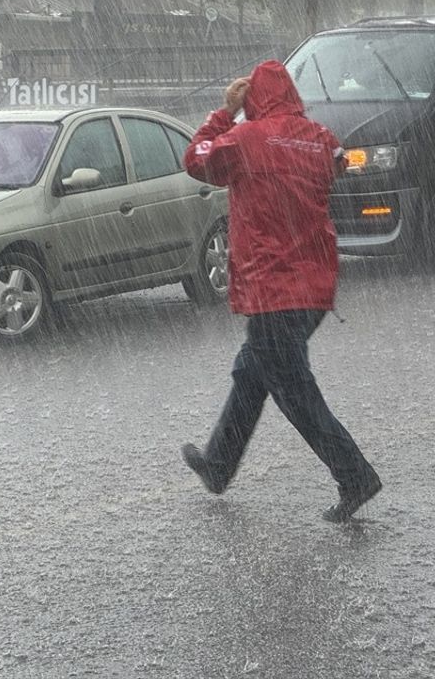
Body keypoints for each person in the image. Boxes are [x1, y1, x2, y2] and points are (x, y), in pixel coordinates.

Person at [179, 60, 382, 523]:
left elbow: (196, 159)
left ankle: (355, 476)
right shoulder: (318, 137)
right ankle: (218, 463)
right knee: (252, 373)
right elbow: (339, 164)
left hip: (272, 287)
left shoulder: (245, 141)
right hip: (313, 288)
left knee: (295, 392)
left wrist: (224, 113)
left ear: (253, 97)